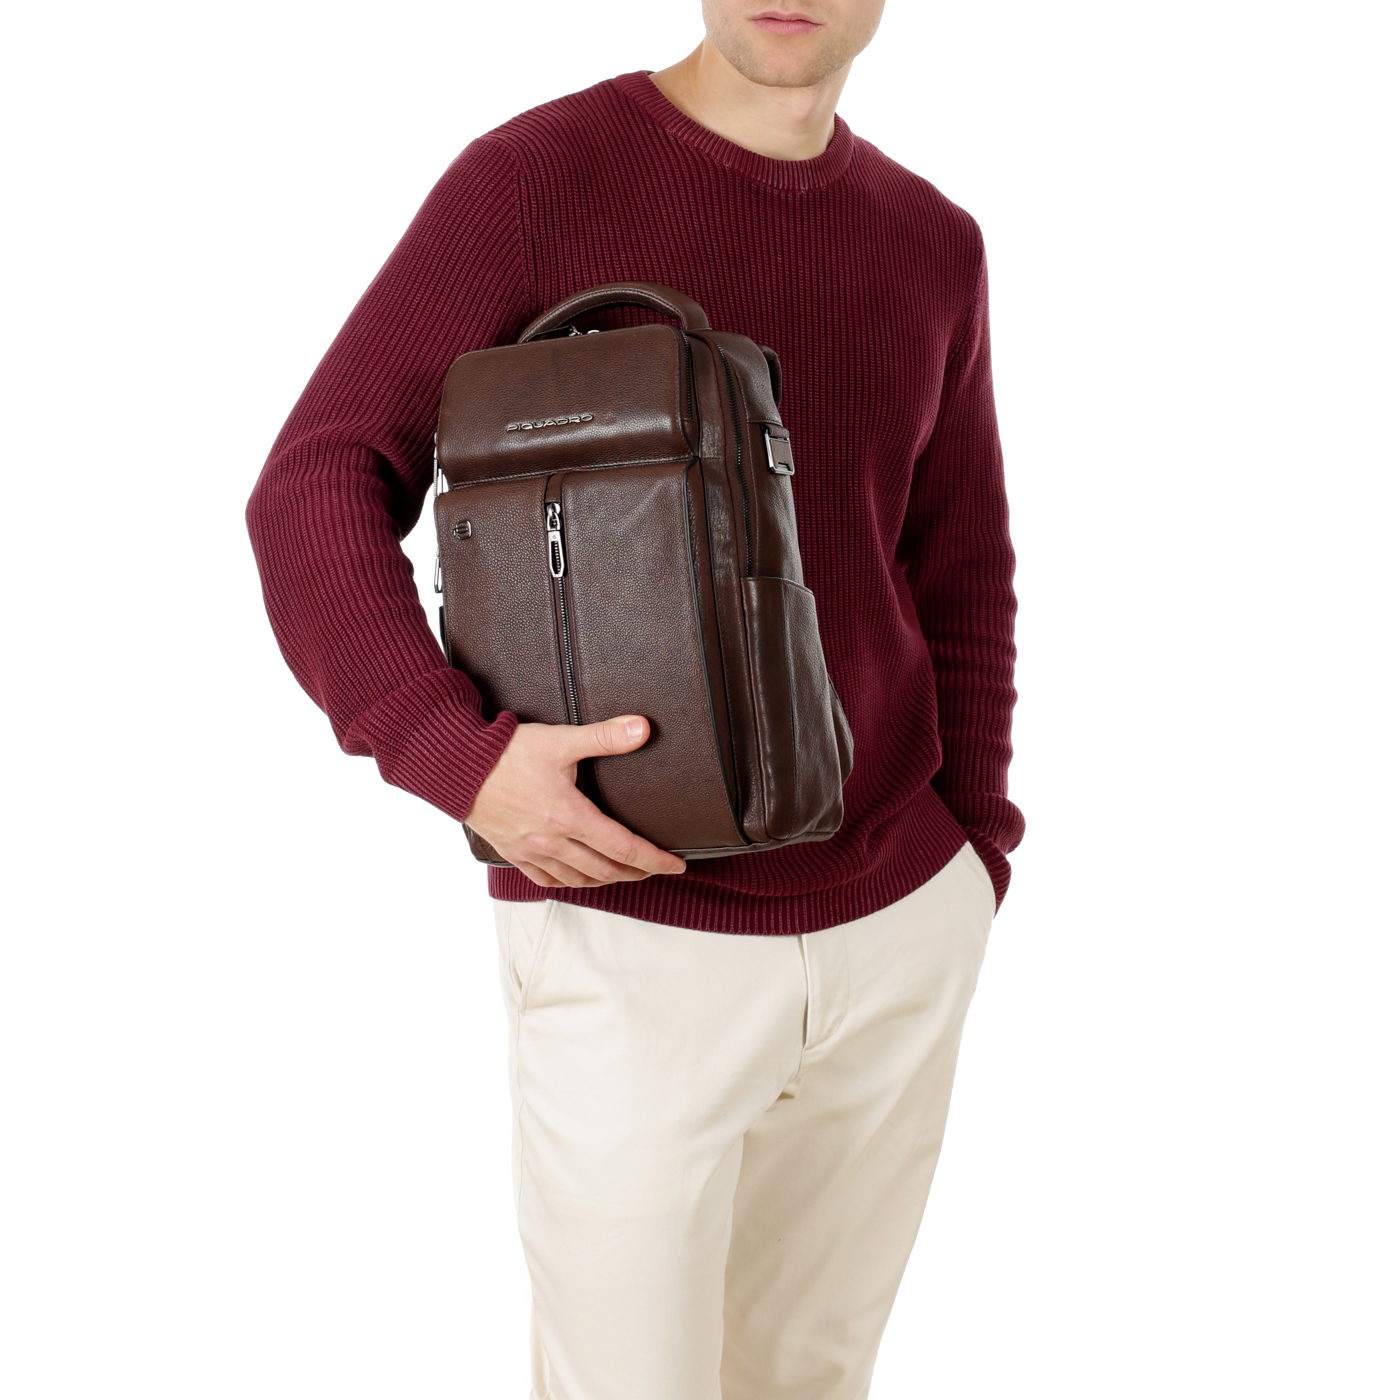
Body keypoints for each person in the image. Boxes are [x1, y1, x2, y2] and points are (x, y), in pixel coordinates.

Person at [247, 3, 1024, 1395]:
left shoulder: (932, 241)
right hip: (628, 923)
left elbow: (958, 569)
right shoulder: (537, 181)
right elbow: (315, 480)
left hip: (898, 930)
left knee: (811, 1382)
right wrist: (451, 754)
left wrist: (975, 859)